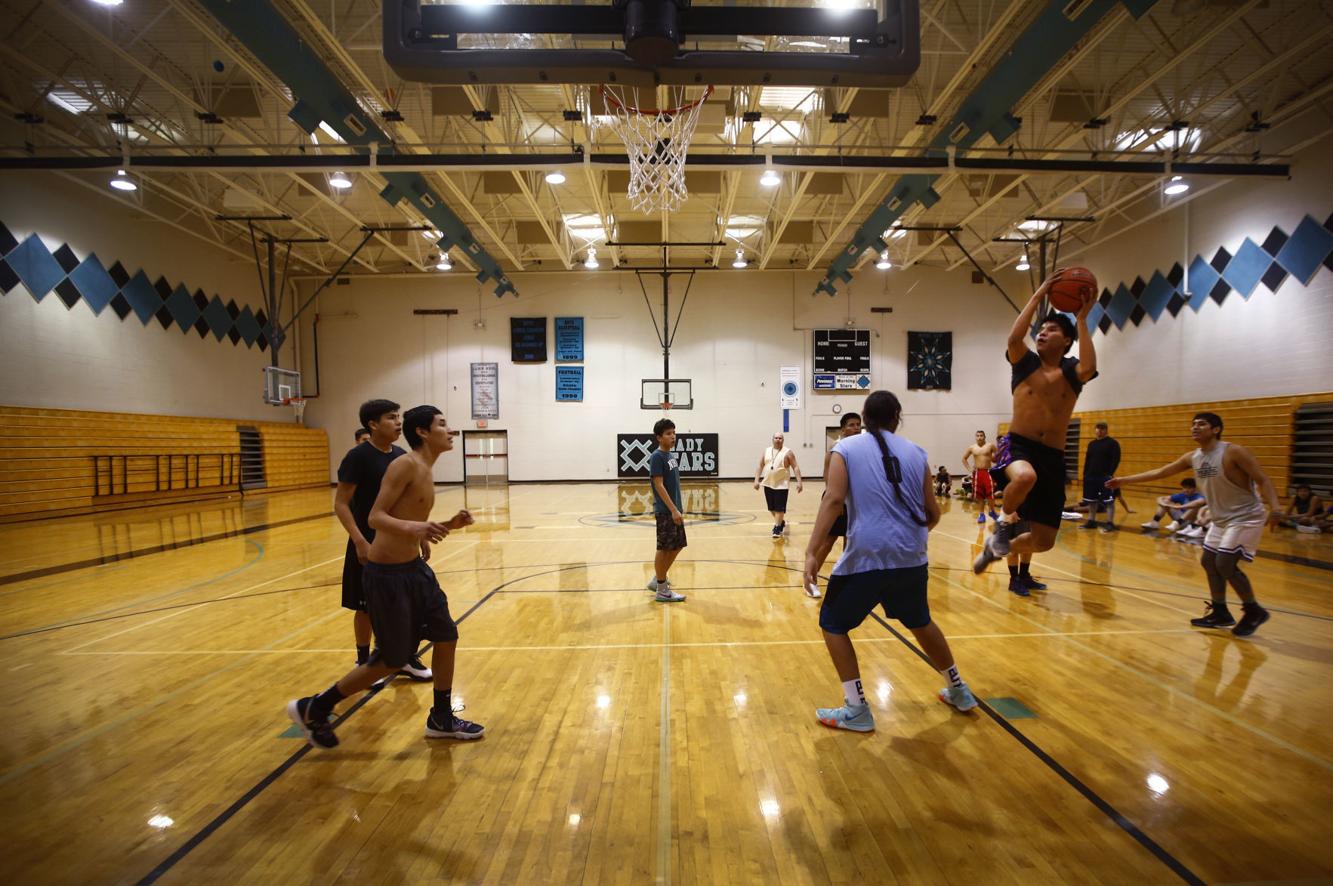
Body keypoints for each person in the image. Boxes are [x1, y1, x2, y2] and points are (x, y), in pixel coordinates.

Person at [288, 406, 484, 748]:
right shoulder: (404, 465)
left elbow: (407, 517)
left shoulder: (424, 467)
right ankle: (315, 707)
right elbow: (376, 517)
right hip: (388, 576)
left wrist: (447, 525)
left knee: (446, 634)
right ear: (423, 432)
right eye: (442, 425)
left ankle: (440, 717)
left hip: (415, 571)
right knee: (392, 659)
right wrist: (417, 527)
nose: (450, 431)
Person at [803, 390, 978, 733]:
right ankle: (959, 689)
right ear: (897, 416)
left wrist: (811, 552)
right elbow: (933, 513)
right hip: (911, 556)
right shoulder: (916, 453)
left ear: (864, 418)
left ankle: (856, 709)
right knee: (920, 622)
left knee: (833, 625)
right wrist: (905, 536)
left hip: (867, 556)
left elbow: (834, 499)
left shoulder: (846, 448)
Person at [1107, 412, 1279, 636]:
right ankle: (1220, 611)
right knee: (1209, 561)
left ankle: (1253, 610)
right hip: (1221, 519)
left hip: (1245, 516)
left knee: (1225, 564)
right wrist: (1124, 480)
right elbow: (1162, 472)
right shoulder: (1193, 456)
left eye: (1202, 424)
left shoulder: (1233, 451)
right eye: (1193, 424)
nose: (1195, 428)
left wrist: (1276, 508)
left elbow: (1262, 479)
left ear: (1216, 429)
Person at [974, 276, 1097, 574]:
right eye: (1040, 330)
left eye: (1051, 330)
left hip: (1052, 457)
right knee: (1025, 477)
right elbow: (1014, 339)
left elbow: (1090, 367)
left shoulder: (1072, 370)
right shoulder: (1025, 362)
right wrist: (1040, 294)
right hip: (1017, 445)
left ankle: (996, 549)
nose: (1042, 334)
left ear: (1066, 340)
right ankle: (1003, 523)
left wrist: (1081, 318)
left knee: (1043, 541)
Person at [333, 399, 430, 681]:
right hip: (367, 541)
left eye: (399, 416)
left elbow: (406, 503)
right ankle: (365, 663)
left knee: (406, 602)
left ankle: (402, 657)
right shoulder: (358, 457)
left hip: (400, 543)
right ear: (373, 424)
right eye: (391, 417)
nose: (398, 422)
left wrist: (419, 532)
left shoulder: (400, 455)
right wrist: (359, 540)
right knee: (364, 606)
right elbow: (341, 503)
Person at [806, 412, 862, 598]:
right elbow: (827, 478)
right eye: (851, 425)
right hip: (837, 501)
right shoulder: (836, 449)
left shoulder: (863, 448)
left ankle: (847, 582)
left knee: (851, 544)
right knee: (827, 543)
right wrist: (836, 503)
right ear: (843, 429)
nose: (855, 428)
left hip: (856, 503)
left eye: (858, 425)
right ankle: (811, 581)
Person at [646, 418, 687, 603]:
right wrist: (672, 510)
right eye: (668, 434)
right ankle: (662, 590)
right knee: (664, 549)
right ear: (659, 437)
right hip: (666, 511)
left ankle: (658, 579)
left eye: (674, 432)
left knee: (677, 545)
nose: (673, 436)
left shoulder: (670, 455)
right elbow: (659, 485)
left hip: (674, 509)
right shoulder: (657, 456)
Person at [754, 432, 803, 537]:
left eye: (780, 438)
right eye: (776, 438)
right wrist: (756, 480)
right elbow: (760, 465)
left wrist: (799, 482)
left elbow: (795, 467)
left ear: (783, 440)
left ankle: (777, 528)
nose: (778, 439)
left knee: (779, 508)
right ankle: (781, 522)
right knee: (771, 508)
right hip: (767, 483)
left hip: (782, 485)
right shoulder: (766, 451)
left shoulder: (788, 452)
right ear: (772, 439)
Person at [1079, 422, 1121, 532]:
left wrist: (1110, 474)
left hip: (1105, 477)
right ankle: (1091, 521)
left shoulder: (1113, 443)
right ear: (1095, 430)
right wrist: (1085, 474)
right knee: (1092, 500)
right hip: (1090, 476)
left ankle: (1110, 523)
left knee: (1109, 501)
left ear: (1106, 430)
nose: (1099, 431)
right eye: (1098, 428)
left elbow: (1116, 459)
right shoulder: (1091, 444)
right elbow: (1087, 460)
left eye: (1102, 429)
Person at [962, 430, 1000, 524]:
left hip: (988, 472)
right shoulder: (972, 448)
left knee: (991, 494)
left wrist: (993, 460)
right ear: (976, 437)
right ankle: (981, 514)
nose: (979, 437)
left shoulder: (990, 446)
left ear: (984, 437)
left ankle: (992, 511)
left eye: (981, 435)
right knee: (980, 495)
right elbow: (964, 459)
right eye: (978, 435)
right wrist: (970, 469)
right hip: (977, 473)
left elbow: (998, 458)